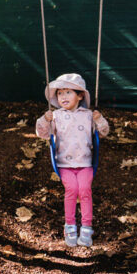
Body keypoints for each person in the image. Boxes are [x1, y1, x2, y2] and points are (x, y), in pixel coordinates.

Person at [35, 73, 109, 248]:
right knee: (72, 190)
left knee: (84, 190)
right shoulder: (57, 116)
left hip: (85, 164)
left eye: (68, 92)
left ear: (80, 95)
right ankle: (69, 227)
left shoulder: (89, 115)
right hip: (64, 164)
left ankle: (86, 228)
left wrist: (99, 119)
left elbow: (104, 132)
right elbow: (42, 133)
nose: (63, 97)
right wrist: (45, 119)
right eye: (60, 93)